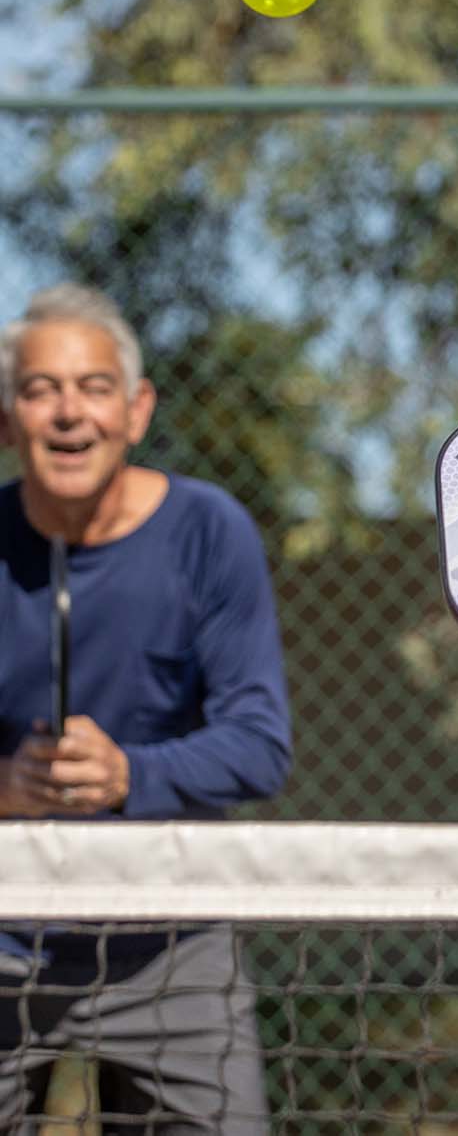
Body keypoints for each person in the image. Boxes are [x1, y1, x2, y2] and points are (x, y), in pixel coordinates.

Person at [0, 283, 291, 1131]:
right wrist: (9, 789)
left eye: (92, 387)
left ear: (135, 410)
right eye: (39, 389)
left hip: (171, 941)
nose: (67, 413)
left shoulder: (211, 530)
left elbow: (260, 746)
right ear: (7, 417)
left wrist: (129, 773)